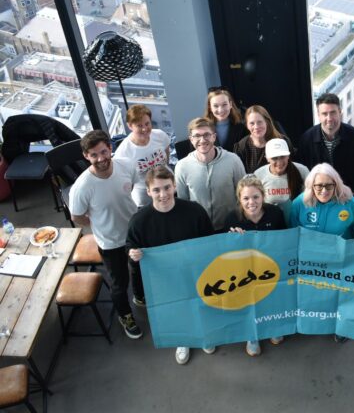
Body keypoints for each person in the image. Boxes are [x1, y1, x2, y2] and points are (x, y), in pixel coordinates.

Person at [126, 167, 214, 365]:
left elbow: (209, 241)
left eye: (166, 187)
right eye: (156, 190)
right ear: (148, 191)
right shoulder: (139, 221)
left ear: (174, 186)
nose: (163, 194)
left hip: (194, 273)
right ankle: (183, 340)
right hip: (164, 279)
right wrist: (133, 254)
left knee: (200, 306)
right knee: (177, 311)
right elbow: (131, 247)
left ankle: (204, 335)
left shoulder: (194, 211)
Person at [69, 129, 142, 340]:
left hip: (133, 233)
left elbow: (136, 185)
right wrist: (99, 223)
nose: (101, 158)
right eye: (94, 155)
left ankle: (139, 296)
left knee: (138, 269)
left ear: (110, 148)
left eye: (103, 151)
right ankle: (125, 315)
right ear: (86, 156)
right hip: (110, 242)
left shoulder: (126, 165)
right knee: (119, 283)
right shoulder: (82, 187)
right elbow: (77, 217)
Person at [224, 175, 287, 356]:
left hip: (271, 268)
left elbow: (285, 241)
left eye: (256, 197)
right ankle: (252, 334)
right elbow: (225, 253)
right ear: (239, 199)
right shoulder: (232, 219)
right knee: (249, 301)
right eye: (246, 198)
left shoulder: (276, 214)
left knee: (272, 299)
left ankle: (274, 325)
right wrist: (235, 240)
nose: (251, 202)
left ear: (263, 196)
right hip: (245, 272)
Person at [175, 117, 246, 231]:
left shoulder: (233, 160)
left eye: (206, 135)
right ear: (191, 139)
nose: (202, 140)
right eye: (197, 136)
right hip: (199, 229)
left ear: (214, 137)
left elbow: (244, 194)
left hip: (231, 228)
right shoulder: (182, 166)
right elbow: (183, 203)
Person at [296, 93, 354, 197]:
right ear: (318, 115)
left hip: (348, 195)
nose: (329, 118)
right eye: (324, 114)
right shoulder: (307, 139)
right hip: (317, 198)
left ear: (340, 112)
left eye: (333, 113)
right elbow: (302, 171)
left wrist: (352, 190)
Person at [114, 104, 171, 207]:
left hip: (167, 184)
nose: (145, 129)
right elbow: (123, 180)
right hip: (144, 194)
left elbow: (167, 155)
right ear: (130, 126)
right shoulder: (123, 152)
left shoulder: (160, 135)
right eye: (139, 126)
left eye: (147, 124)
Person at [289, 163, 354, 239]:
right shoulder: (299, 203)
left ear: (336, 185)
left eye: (329, 186)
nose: (324, 191)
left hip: (341, 250)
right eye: (319, 186)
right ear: (311, 186)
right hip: (309, 249)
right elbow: (293, 234)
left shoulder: (351, 203)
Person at [253, 138, 309, 222]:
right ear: (267, 158)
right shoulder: (258, 175)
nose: (279, 162)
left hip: (297, 221)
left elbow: (311, 199)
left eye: (282, 157)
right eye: (274, 158)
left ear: (288, 156)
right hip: (270, 223)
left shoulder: (302, 171)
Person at [233, 105, 289, 173]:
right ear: (247, 125)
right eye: (252, 123)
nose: (256, 127)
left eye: (260, 122)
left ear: (266, 122)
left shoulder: (282, 142)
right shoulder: (241, 147)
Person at [204, 88, 248, 152]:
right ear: (210, 107)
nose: (220, 110)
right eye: (216, 106)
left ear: (230, 104)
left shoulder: (242, 128)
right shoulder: (202, 129)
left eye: (224, 104)